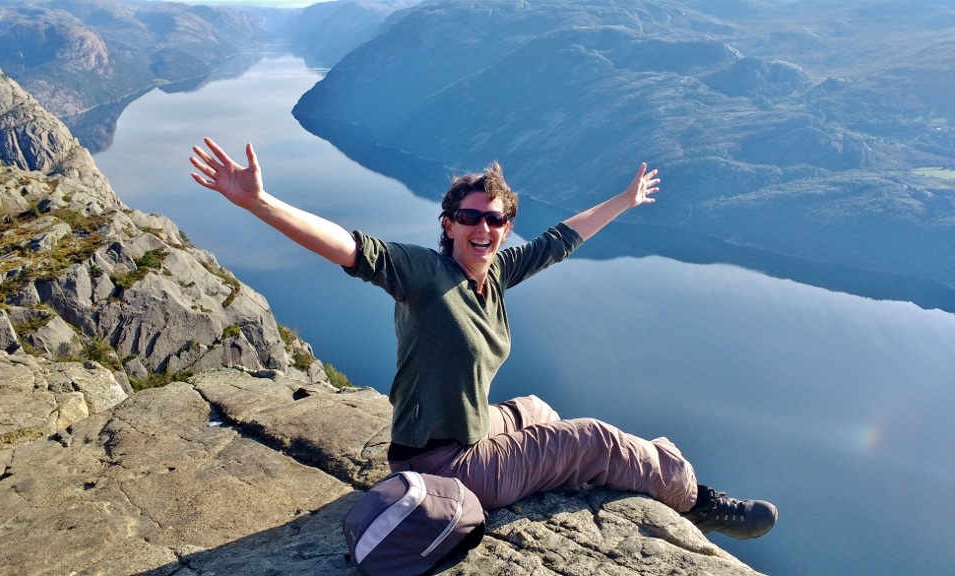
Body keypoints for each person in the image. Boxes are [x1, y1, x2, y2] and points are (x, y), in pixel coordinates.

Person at [189, 137, 778, 540]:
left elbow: (558, 240)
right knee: (593, 440)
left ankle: (644, 465)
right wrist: (259, 202)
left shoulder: (493, 272)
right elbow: (349, 247)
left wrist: (624, 201)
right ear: (448, 224)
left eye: (496, 219)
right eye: (470, 217)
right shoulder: (422, 272)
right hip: (443, 463)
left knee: (539, 410)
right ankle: (695, 500)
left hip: (466, 435)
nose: (484, 228)